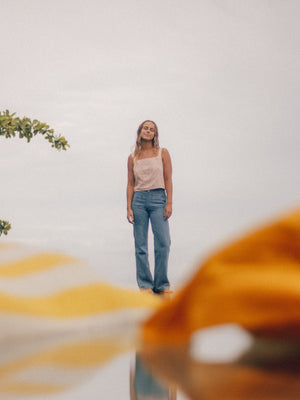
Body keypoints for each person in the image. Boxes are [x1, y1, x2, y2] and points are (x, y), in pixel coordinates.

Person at [127, 120, 172, 295]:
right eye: (146, 128)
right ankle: (145, 285)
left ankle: (161, 285)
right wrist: (128, 207)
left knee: (163, 242)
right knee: (141, 245)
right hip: (138, 200)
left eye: (152, 129)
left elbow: (168, 179)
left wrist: (169, 203)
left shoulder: (162, 153)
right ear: (140, 132)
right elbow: (130, 184)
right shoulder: (132, 158)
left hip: (158, 198)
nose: (148, 131)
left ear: (155, 134)